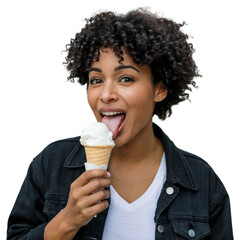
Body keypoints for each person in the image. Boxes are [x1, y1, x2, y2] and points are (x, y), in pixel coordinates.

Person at [7, 9, 233, 240]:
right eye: (96, 80)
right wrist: (67, 221)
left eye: (126, 78)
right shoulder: (51, 165)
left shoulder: (201, 181)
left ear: (160, 89)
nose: (106, 95)